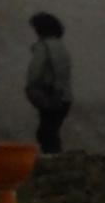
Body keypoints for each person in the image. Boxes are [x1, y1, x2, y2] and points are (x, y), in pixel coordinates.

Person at [25, 11, 73, 154]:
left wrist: (31, 88)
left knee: (46, 134)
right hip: (64, 96)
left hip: (49, 95)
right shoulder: (61, 47)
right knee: (51, 132)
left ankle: (54, 162)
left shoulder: (43, 47)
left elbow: (35, 72)